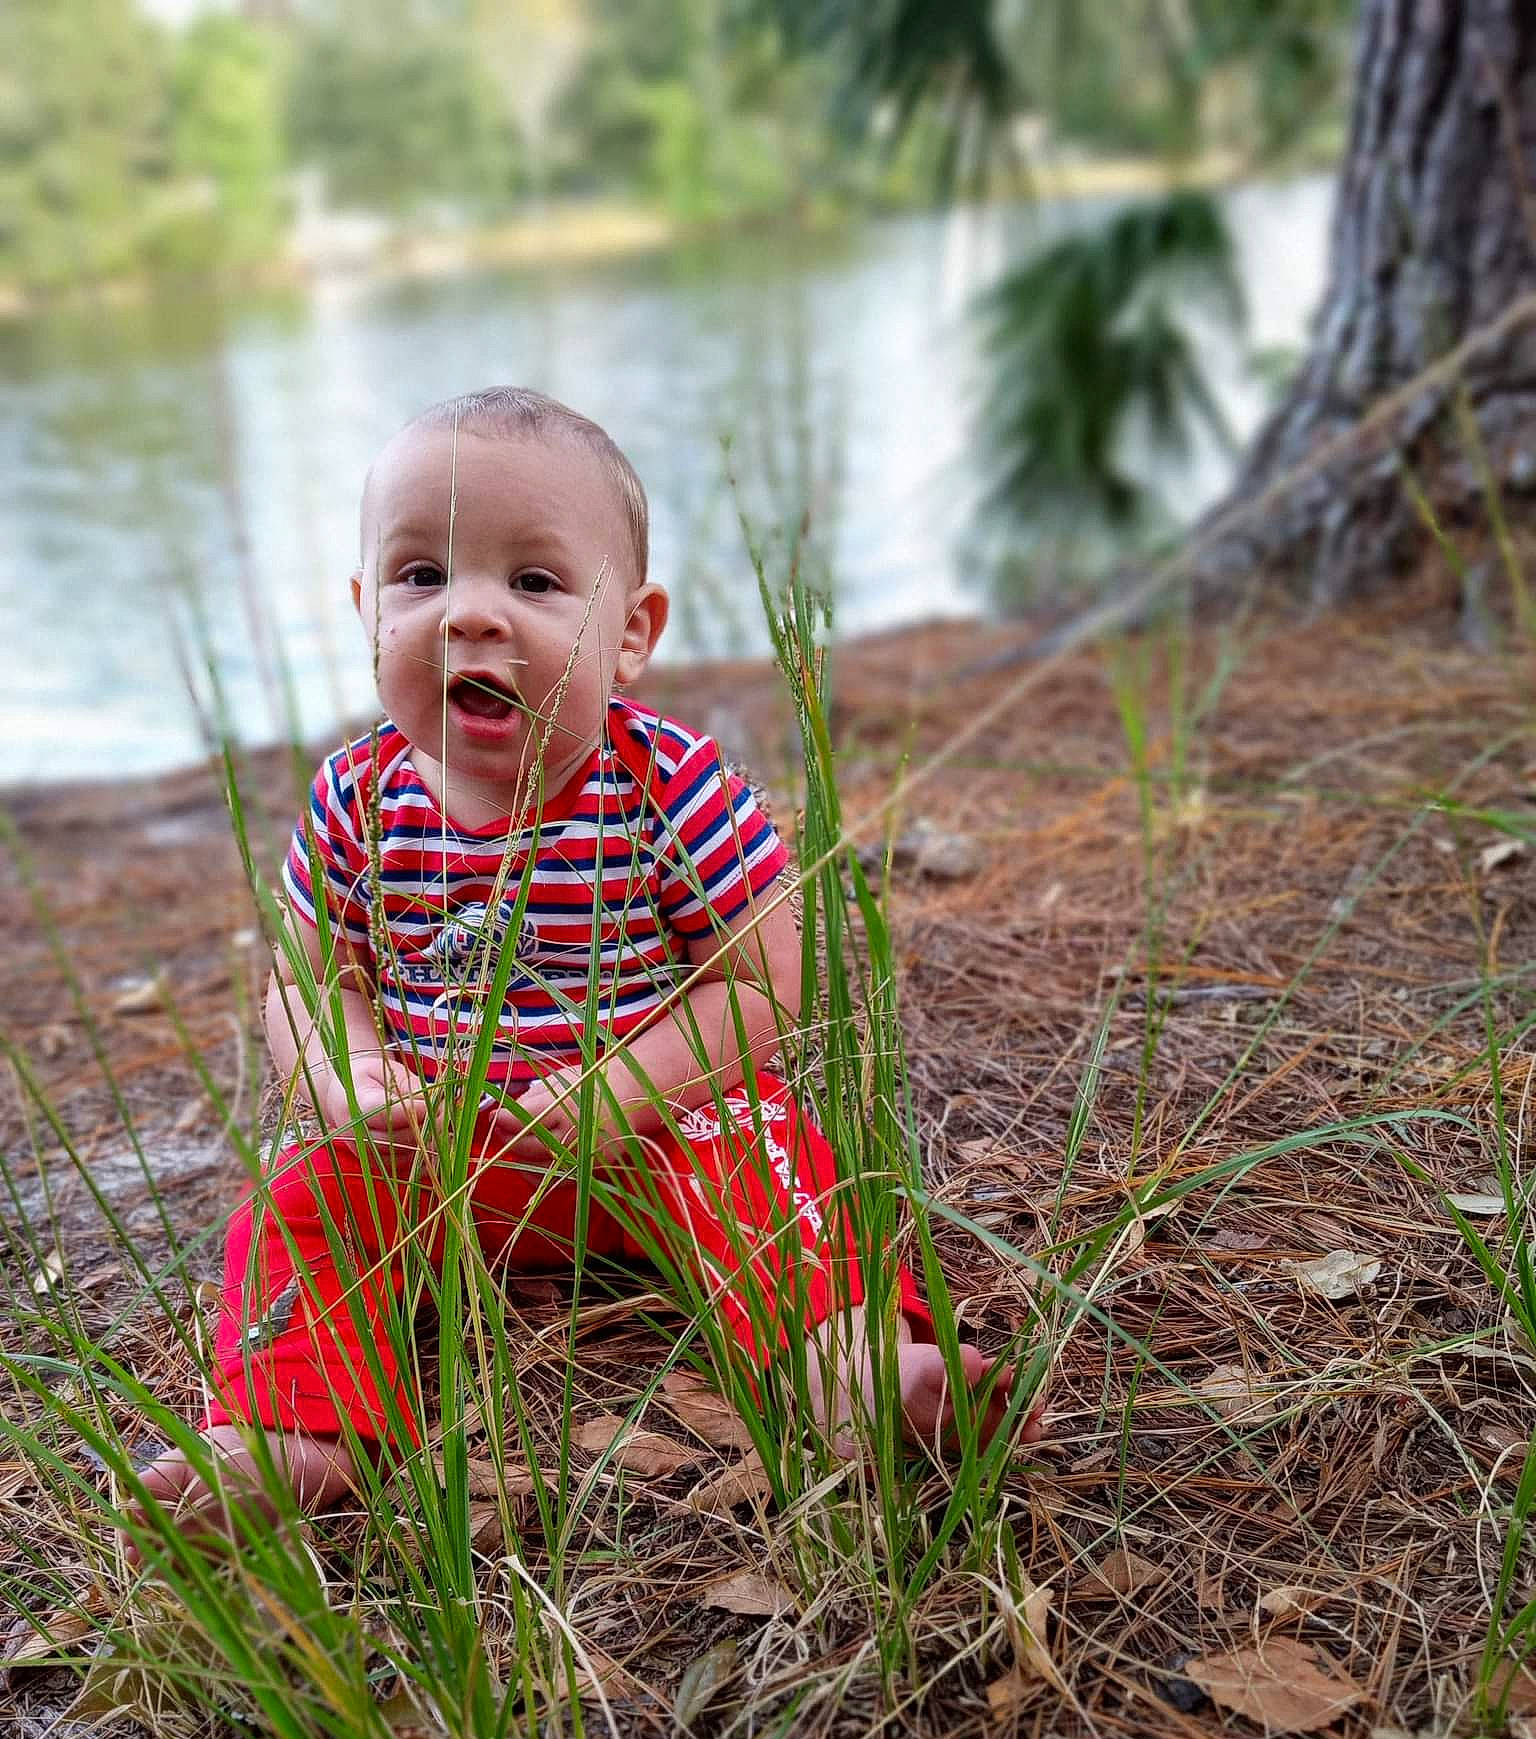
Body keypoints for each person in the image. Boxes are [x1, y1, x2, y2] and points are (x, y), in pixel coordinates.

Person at [133, 388, 1034, 1542]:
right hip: (440, 1165)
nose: (469, 616)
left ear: (633, 634)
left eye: (536, 581)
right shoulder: (356, 800)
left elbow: (764, 981)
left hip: (652, 1141)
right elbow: (310, 983)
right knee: (297, 1201)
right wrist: (349, 1076)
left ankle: (849, 1368)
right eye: (420, 576)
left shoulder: (669, 784)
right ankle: (302, 1429)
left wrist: (622, 1088)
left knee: (763, 1161)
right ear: (365, 614)